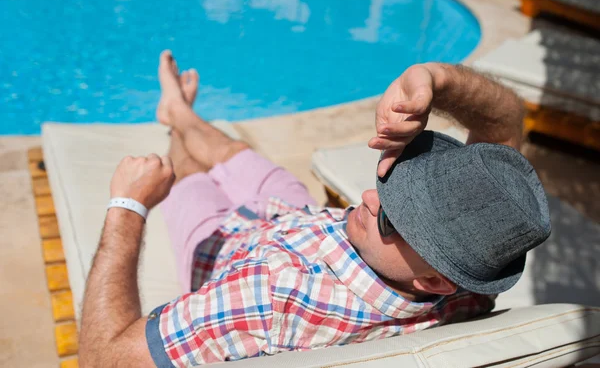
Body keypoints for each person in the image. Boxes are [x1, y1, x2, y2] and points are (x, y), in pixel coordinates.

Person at [78, 51, 551, 368]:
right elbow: (504, 117)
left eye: (392, 216)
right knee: (230, 150)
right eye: (393, 184)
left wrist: (128, 205)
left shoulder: (263, 301)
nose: (367, 198)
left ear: (431, 281)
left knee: (188, 172)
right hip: (297, 214)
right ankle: (179, 112)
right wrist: (435, 78)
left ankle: (174, 128)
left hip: (228, 246)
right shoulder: (470, 274)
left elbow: (103, 357)